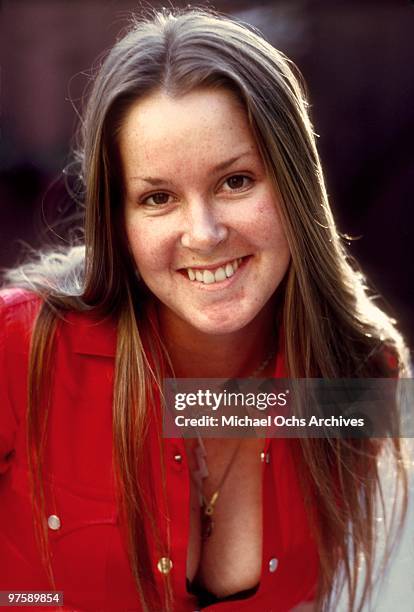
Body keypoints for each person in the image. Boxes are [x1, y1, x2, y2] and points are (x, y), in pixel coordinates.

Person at [0, 8, 410, 612]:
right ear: (119, 223)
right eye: (158, 197)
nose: (204, 232)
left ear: (294, 185)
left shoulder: (355, 381)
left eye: (236, 182)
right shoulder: (20, 348)